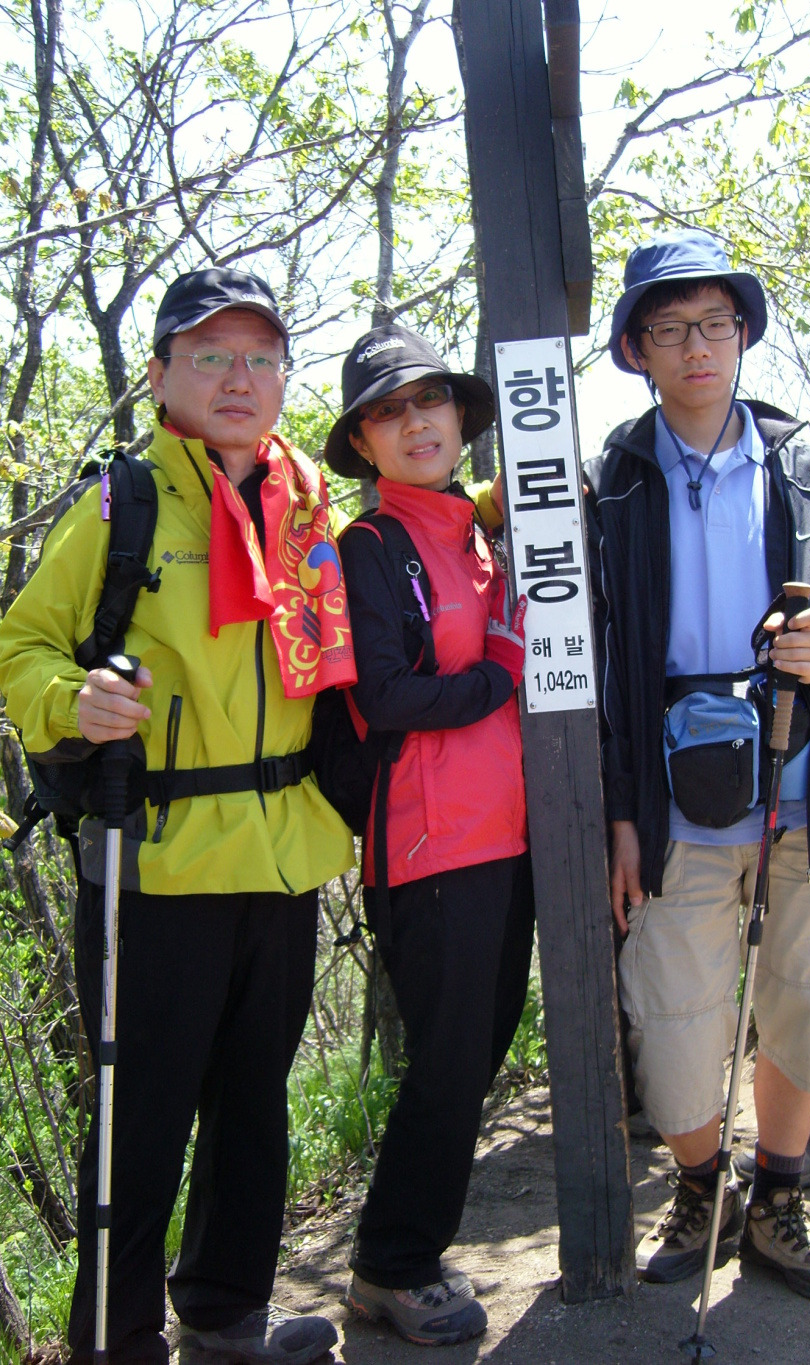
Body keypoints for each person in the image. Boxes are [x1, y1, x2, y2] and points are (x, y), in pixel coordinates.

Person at [0, 268, 353, 1364]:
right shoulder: (126, 501)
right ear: (160, 377)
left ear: (285, 378)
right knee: (142, 1115)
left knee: (256, 1102)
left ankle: (227, 1311)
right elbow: (24, 648)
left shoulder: (307, 506)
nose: (238, 379)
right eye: (210, 357)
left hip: (286, 850)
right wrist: (74, 702)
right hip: (156, 859)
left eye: (258, 358)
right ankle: (116, 1339)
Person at [586, 228, 810, 1301]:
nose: (694, 347)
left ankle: (775, 1201)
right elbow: (595, 663)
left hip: (806, 785)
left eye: (713, 323)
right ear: (635, 351)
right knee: (672, 1013)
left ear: (744, 333)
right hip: (671, 805)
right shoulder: (611, 481)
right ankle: (695, 1189)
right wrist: (620, 812)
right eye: (667, 329)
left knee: (809, 1001)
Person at [320, 324, 535, 1346]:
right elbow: (391, 695)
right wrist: (498, 665)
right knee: (448, 1062)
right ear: (363, 443)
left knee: (476, 1053)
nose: (415, 423)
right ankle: (392, 1265)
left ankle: (396, 1257)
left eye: (430, 402)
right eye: (388, 412)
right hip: (430, 845)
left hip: (510, 837)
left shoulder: (483, 533)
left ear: (460, 417)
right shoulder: (371, 548)